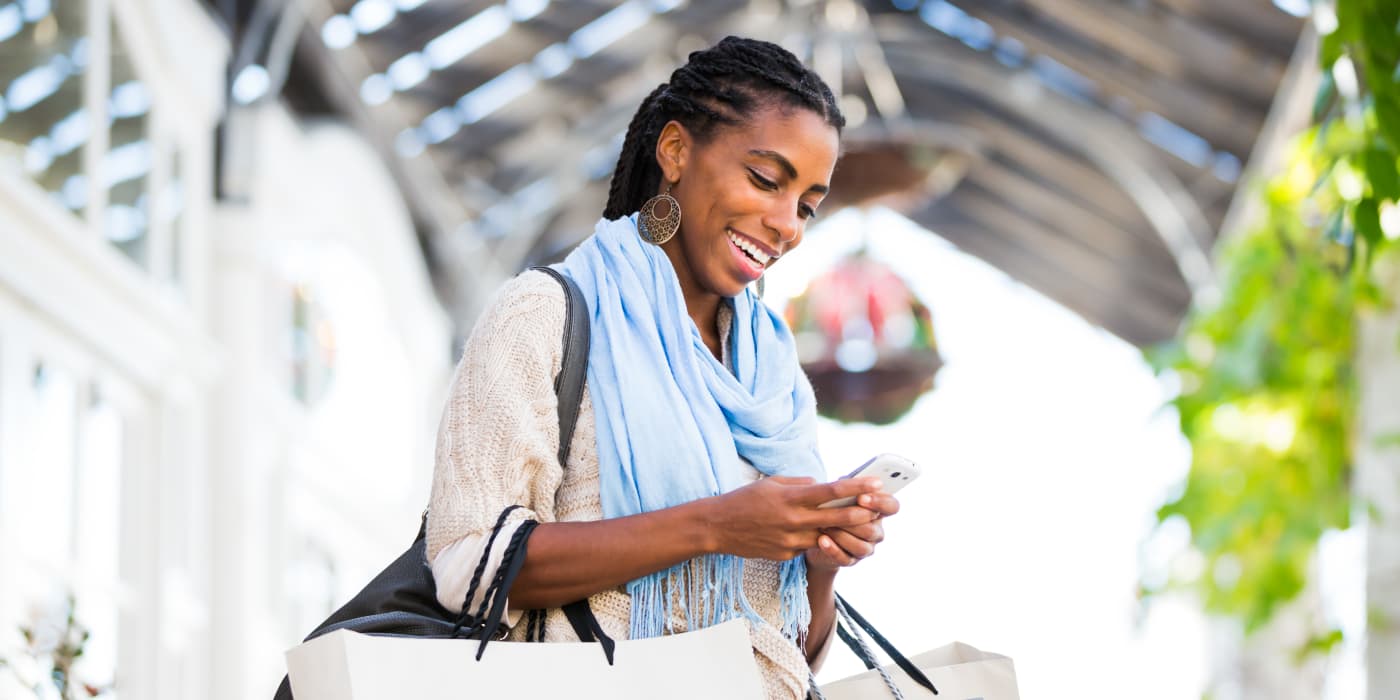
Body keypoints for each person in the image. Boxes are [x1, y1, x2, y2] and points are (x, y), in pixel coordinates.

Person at [426, 36, 899, 699]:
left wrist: (820, 565)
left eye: (807, 206)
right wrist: (715, 525)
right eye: (766, 180)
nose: (786, 224)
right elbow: (469, 566)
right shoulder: (544, 314)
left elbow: (791, 655)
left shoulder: (772, 370)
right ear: (675, 151)